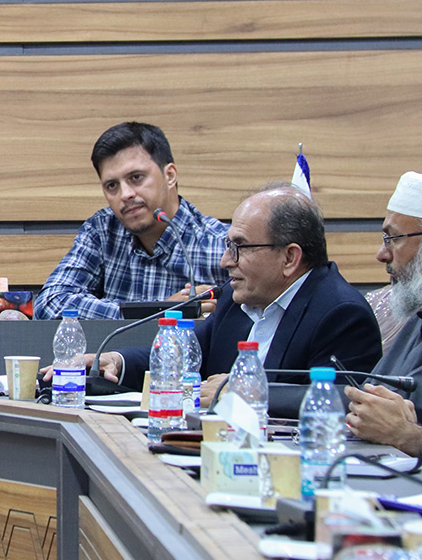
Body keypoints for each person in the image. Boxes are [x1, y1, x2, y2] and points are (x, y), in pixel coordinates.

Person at [92, 184, 381, 418]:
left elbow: (343, 402)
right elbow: (189, 355)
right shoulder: (238, 297)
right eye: (228, 245)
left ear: (290, 258)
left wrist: (246, 392)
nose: (225, 261)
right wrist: (117, 361)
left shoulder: (341, 314)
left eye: (239, 246)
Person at [34, 121, 229, 320]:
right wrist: (160, 311)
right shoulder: (103, 231)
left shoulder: (221, 245)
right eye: (112, 185)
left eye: (136, 177)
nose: (125, 194)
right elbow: (50, 302)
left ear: (170, 176)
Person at [345, 172, 422, 455]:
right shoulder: (416, 319)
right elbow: (367, 398)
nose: (381, 254)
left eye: (392, 238)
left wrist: (409, 437)